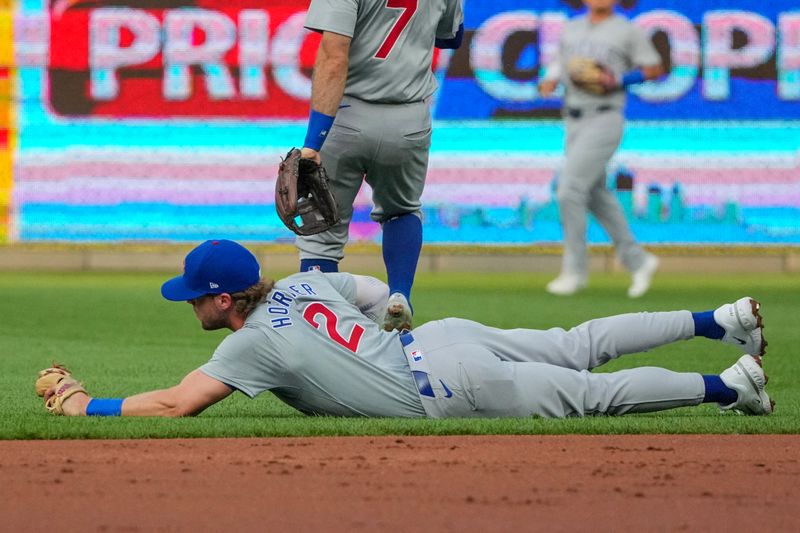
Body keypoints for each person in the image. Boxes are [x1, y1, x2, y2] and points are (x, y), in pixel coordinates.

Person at [39, 239, 774, 420]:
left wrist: (85, 402)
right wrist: (390, 310)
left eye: (195, 298)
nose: (189, 306)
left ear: (227, 300)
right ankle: (721, 319)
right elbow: (376, 293)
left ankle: (730, 387)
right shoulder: (299, 283)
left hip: (445, 383)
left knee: (592, 393)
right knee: (578, 340)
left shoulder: (249, 341)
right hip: (439, 337)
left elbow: (176, 403)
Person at [293, 0, 464, 332]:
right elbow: (452, 36)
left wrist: (313, 143)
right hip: (409, 119)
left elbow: (333, 56)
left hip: (349, 116)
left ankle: (319, 328)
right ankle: (399, 293)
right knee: (401, 210)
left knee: (322, 233)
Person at [539, 0, 665, 297]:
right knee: (596, 194)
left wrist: (620, 78)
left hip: (606, 116)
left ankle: (574, 271)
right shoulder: (571, 28)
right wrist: (551, 77)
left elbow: (654, 68)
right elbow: (562, 61)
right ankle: (638, 260)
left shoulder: (628, 30)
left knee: (569, 189)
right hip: (573, 117)